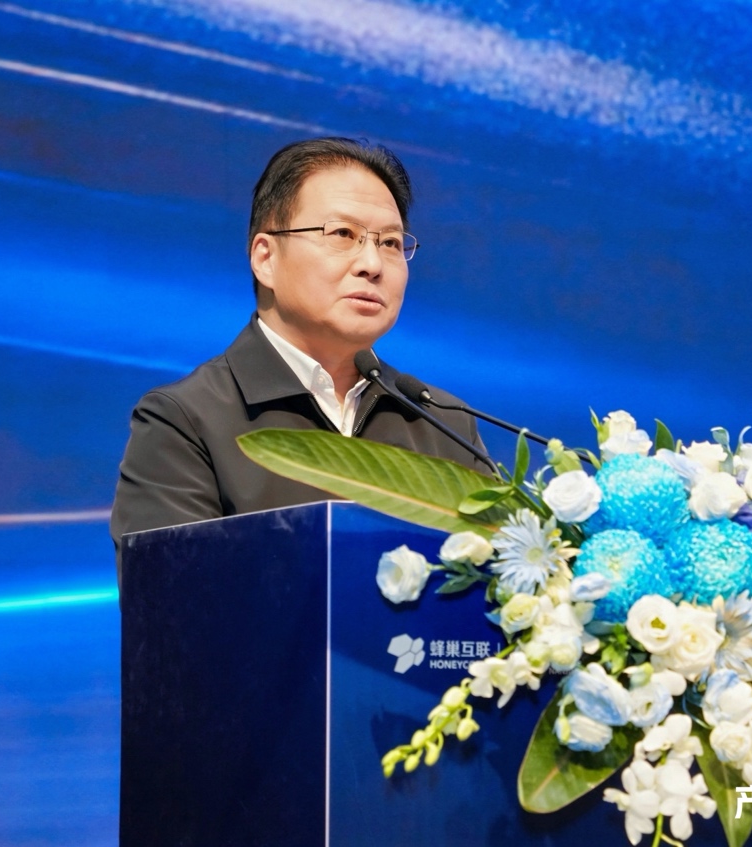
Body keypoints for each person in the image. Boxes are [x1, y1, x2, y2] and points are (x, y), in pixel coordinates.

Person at [110, 137, 491, 583]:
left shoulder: (443, 422)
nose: (372, 263)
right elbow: (173, 602)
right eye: (343, 234)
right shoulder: (185, 421)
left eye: (390, 242)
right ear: (265, 258)